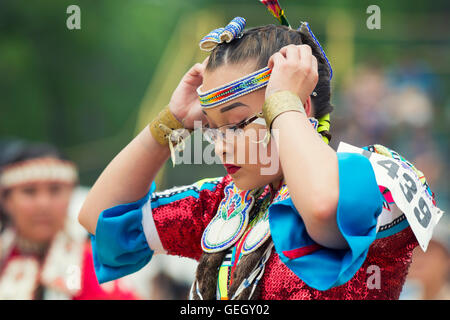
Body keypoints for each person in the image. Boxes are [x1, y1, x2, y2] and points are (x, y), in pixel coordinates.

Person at [78, 1, 444, 300]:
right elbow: (100, 216)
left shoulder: (378, 173)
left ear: (299, 108)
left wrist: (283, 100)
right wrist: (170, 122)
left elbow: (321, 207)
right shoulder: (224, 202)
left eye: (237, 125)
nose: (221, 144)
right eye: (212, 129)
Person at [0, 141, 139, 299]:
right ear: (6, 200)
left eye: (55, 190)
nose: (43, 204)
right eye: (29, 191)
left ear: (71, 195)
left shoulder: (95, 268)